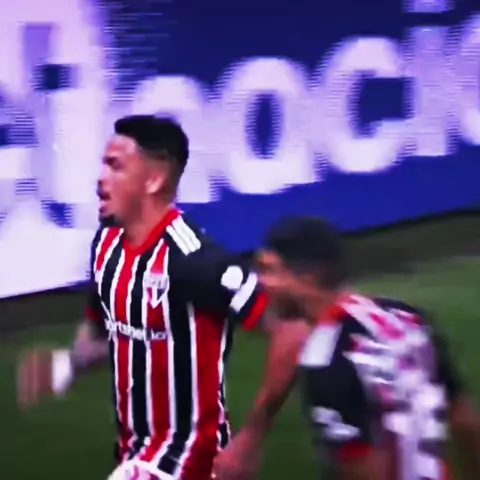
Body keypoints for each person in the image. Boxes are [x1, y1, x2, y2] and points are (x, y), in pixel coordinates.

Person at [17, 115, 268, 480]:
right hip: (135, 456)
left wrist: (252, 436)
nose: (101, 179)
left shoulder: (194, 260)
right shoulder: (106, 246)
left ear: (154, 179)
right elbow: (107, 334)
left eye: (116, 166)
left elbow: (289, 329)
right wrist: (68, 365)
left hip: (190, 463)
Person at [213, 216, 480, 480]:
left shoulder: (326, 358)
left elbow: (363, 471)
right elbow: (464, 420)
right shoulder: (405, 317)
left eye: (271, 270)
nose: (261, 282)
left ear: (308, 277)